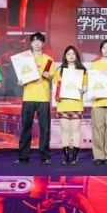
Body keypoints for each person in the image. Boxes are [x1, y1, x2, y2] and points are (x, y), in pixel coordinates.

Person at [17, 32, 55, 164]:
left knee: (44, 128)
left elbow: (52, 77)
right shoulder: (25, 59)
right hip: (28, 96)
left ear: (43, 44)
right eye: (34, 41)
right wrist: (21, 81)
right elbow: (22, 76)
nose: (37, 44)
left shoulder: (48, 60)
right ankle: (23, 156)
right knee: (25, 127)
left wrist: (48, 76)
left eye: (39, 41)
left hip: (43, 97)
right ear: (31, 43)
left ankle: (45, 156)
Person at [53, 45, 88, 164]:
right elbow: (56, 86)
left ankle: (75, 156)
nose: (71, 56)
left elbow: (85, 85)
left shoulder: (82, 70)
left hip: (76, 104)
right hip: (63, 104)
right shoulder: (59, 70)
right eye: (68, 54)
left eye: (73, 53)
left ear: (77, 55)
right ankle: (66, 156)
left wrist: (83, 90)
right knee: (65, 130)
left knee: (76, 130)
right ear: (65, 56)